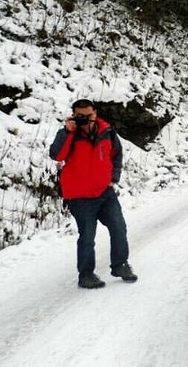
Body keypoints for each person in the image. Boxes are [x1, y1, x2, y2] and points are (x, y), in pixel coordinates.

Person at [49, 99, 138, 289]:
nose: (86, 120)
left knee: (119, 227)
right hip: (79, 197)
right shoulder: (69, 134)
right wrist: (67, 132)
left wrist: (114, 177)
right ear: (74, 115)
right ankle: (86, 274)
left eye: (88, 115)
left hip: (105, 193)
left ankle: (120, 265)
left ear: (95, 113)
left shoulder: (107, 131)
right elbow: (56, 155)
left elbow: (117, 154)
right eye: (80, 116)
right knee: (87, 236)